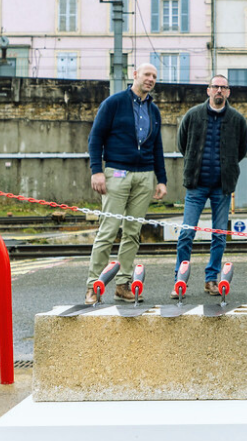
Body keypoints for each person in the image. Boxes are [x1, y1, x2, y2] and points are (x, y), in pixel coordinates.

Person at [85, 63, 167, 303]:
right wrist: (96, 171)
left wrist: (161, 179)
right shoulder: (114, 103)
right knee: (108, 231)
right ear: (135, 76)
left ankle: (122, 284)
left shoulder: (154, 111)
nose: (150, 79)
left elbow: (157, 147)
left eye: (154, 76)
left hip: (144, 176)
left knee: (133, 233)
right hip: (116, 173)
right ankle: (93, 286)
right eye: (146, 74)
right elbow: (95, 138)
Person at [175, 74, 247, 295]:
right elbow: (182, 144)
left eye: (223, 87)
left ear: (228, 92)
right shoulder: (193, 115)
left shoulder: (237, 119)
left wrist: (226, 167)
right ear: (208, 90)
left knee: (219, 234)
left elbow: (242, 149)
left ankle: (211, 280)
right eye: (215, 87)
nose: (219, 90)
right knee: (186, 234)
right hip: (196, 185)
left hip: (222, 187)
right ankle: (180, 279)